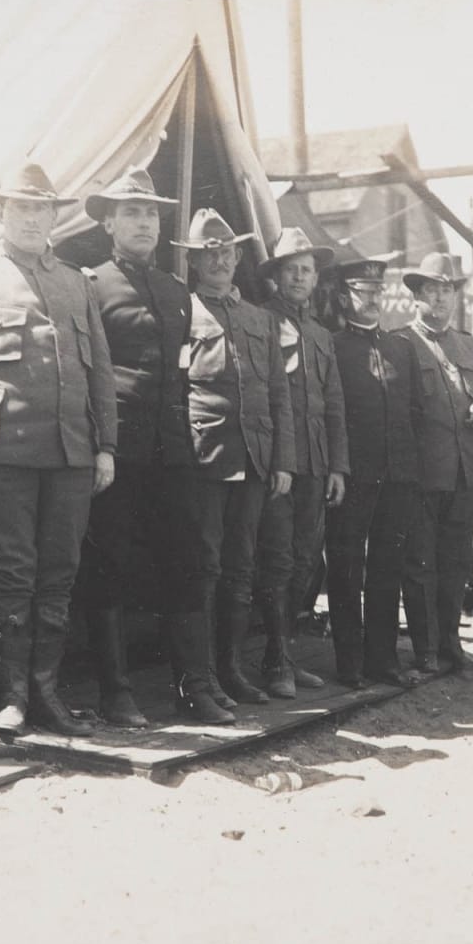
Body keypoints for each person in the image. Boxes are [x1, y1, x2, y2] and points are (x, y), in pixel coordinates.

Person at [0, 162, 119, 738]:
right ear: (2, 214)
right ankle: (12, 699)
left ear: (54, 217)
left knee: (59, 576)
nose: (33, 218)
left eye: (42, 209)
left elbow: (101, 373)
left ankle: (48, 695)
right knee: (12, 577)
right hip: (2, 455)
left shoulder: (75, 283)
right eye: (21, 208)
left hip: (72, 458)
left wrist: (105, 446)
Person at [161, 208, 294, 724]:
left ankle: (229, 670)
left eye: (226, 251)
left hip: (255, 460)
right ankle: (198, 680)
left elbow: (279, 394)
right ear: (193, 261)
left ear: (238, 257)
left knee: (241, 569)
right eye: (207, 253)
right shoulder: (182, 314)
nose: (218, 260)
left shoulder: (259, 318)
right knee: (202, 569)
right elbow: (175, 391)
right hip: (205, 460)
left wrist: (282, 460)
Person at [72, 168, 185, 729]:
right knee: (109, 566)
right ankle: (115, 692)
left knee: (180, 562)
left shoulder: (174, 290)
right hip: (118, 452)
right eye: (132, 213)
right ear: (109, 222)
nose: (144, 223)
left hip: (175, 453)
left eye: (151, 214)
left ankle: (186, 687)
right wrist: (102, 447)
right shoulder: (90, 285)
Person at [396, 252, 473, 676]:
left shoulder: (468, 344)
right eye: (431, 292)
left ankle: (451, 643)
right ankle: (425, 648)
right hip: (422, 474)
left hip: (463, 471)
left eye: (446, 291)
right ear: (416, 297)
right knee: (421, 564)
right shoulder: (402, 343)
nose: (439, 299)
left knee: (456, 563)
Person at [252, 227, 349, 697]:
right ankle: (273, 662)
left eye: (306, 270)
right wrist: (278, 462)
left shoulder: (321, 335)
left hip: (316, 461)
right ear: (276, 276)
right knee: (277, 559)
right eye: (290, 269)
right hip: (279, 464)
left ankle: (285, 654)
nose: (298, 277)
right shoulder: (261, 322)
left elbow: (334, 405)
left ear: (315, 279)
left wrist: (338, 466)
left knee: (307, 561)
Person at [324, 258, 423, 687]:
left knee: (387, 567)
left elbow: (415, 410)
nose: (374, 300)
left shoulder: (401, 347)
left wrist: (409, 468)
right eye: (365, 292)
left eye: (378, 292)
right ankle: (349, 664)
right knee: (347, 568)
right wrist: (338, 467)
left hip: (398, 475)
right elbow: (330, 413)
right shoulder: (332, 347)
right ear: (345, 297)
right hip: (353, 476)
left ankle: (382, 661)